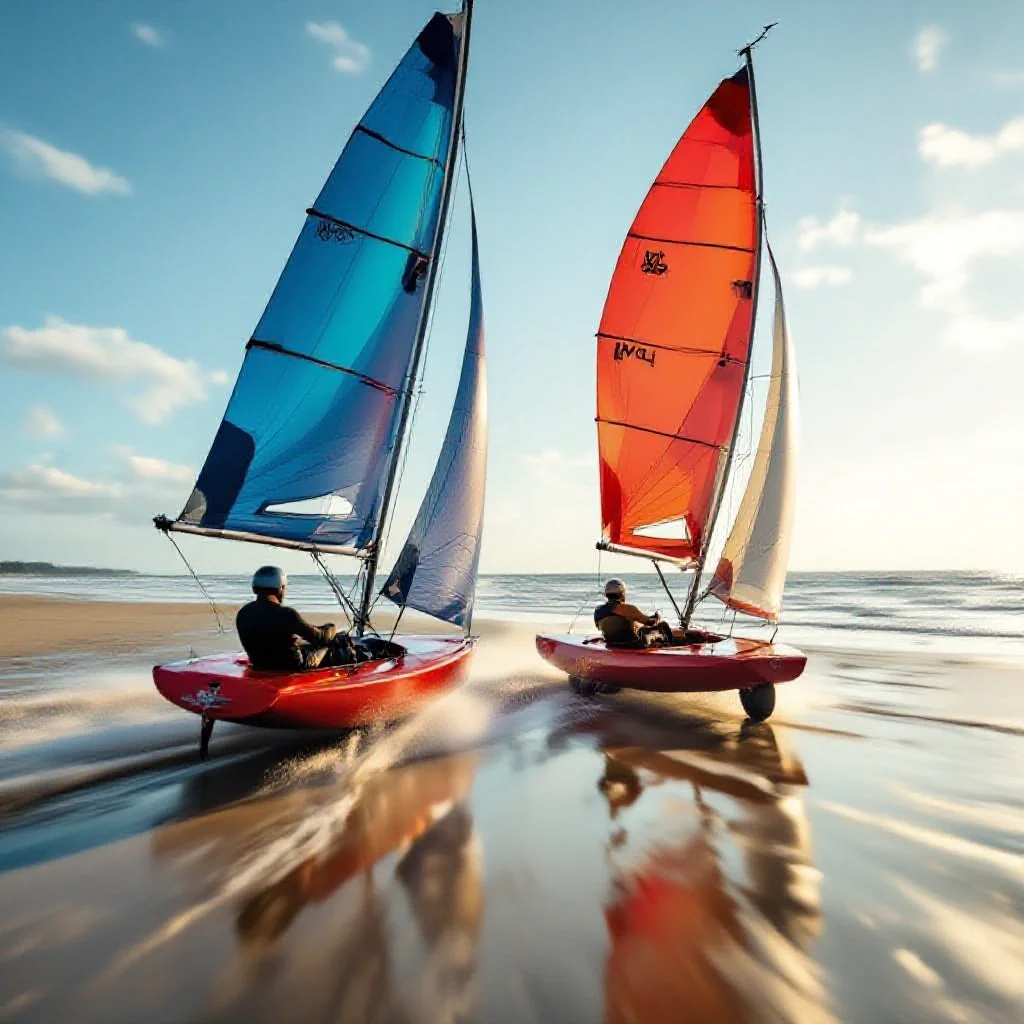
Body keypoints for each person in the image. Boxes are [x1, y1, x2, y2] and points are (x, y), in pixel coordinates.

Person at [236, 565, 356, 670]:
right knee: (333, 643)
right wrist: (331, 628)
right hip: (293, 667)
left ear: (254, 589)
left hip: (260, 665)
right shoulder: (286, 614)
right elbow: (319, 638)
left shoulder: (243, 613)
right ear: (280, 589)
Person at [594, 579, 673, 648]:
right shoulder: (628, 608)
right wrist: (657, 617)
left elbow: (612, 624)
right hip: (633, 645)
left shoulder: (598, 610)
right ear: (622, 593)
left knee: (642, 629)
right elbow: (650, 622)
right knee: (663, 625)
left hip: (613, 644)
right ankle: (671, 646)